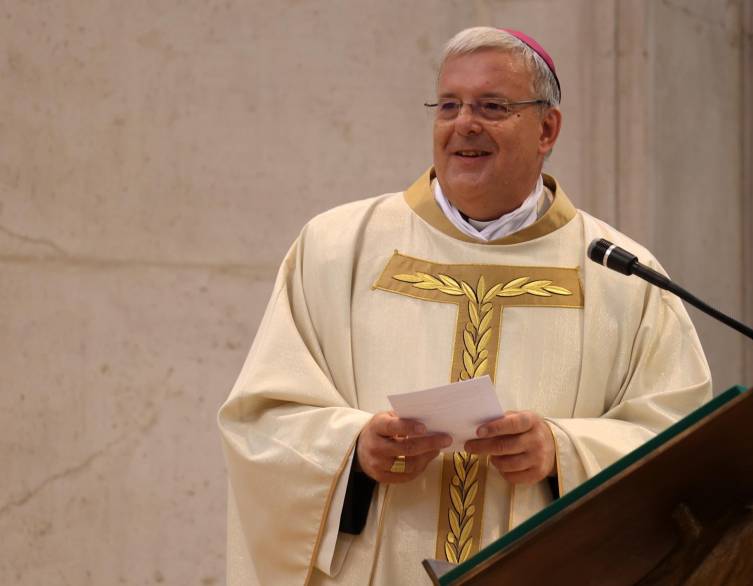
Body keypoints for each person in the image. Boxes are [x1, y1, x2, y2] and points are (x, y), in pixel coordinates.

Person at [218, 26, 712, 586]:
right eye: (449, 105)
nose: (463, 124)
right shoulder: (335, 248)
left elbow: (680, 445)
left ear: (547, 128)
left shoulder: (623, 276)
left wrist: (562, 453)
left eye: (492, 106)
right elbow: (260, 422)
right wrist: (354, 448)